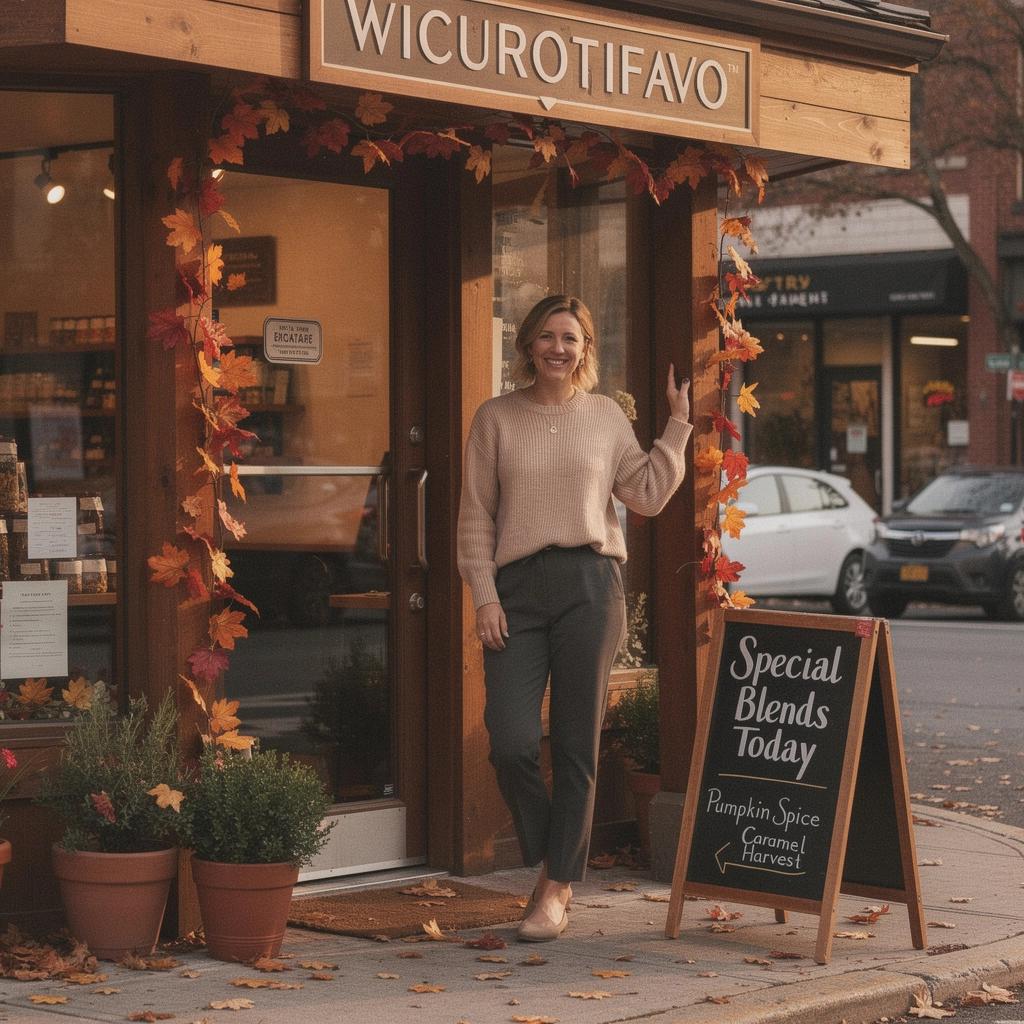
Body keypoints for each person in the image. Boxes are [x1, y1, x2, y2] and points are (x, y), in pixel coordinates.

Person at [457, 294, 692, 942]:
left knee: (574, 742)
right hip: (516, 589)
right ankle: (554, 857)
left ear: (585, 349)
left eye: (571, 338)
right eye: (547, 336)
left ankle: (556, 887)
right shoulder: (495, 417)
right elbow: (475, 513)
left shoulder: (605, 416)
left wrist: (676, 426)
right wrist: (484, 595)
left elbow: (645, 493)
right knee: (509, 740)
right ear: (528, 344)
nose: (558, 348)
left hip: (590, 586)